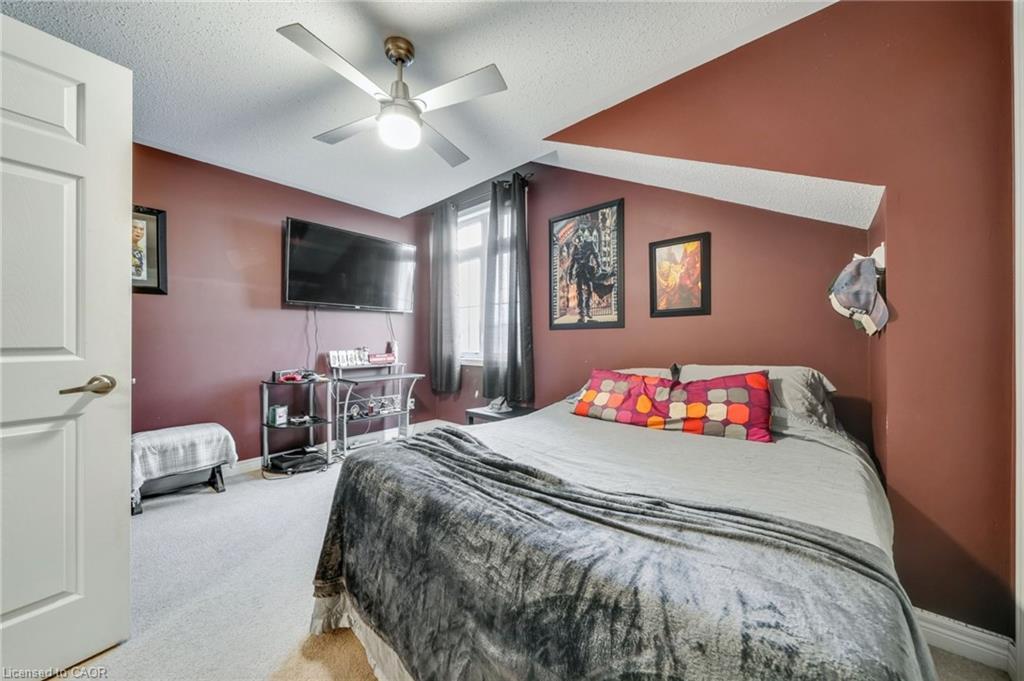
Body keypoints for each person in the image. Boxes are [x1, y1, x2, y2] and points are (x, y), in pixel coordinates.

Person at [567, 229, 600, 322]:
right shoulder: (574, 250)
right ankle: (582, 313)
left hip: (588, 272)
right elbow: (571, 264)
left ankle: (588, 310)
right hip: (579, 273)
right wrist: (569, 276)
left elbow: (596, 256)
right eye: (577, 242)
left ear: (583, 239)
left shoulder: (590, 244)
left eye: (580, 241)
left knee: (590, 290)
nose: (579, 244)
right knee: (579, 292)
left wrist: (599, 267)